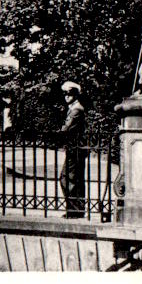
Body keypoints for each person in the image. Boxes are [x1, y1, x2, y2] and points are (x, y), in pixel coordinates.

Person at [59, 81, 87, 218]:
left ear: (75, 95)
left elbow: (66, 129)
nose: (66, 96)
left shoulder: (77, 110)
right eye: (65, 94)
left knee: (70, 179)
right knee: (69, 178)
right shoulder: (73, 108)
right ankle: (74, 209)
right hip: (74, 148)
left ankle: (75, 210)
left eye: (69, 94)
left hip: (76, 148)